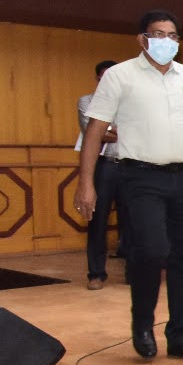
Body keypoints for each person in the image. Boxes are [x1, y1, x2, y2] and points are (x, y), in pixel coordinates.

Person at [74, 10, 183, 361]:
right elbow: (95, 130)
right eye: (158, 34)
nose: (166, 41)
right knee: (152, 250)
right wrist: (86, 184)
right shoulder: (120, 76)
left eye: (172, 35)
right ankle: (143, 326)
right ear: (142, 39)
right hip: (141, 177)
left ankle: (180, 335)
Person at [77, 60, 126, 290]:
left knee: (134, 219)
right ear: (97, 79)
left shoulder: (130, 101)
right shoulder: (86, 102)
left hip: (130, 165)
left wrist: (109, 130)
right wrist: (112, 131)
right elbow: (93, 133)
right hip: (104, 166)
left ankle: (134, 272)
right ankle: (96, 274)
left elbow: (138, 131)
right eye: (102, 77)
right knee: (98, 220)